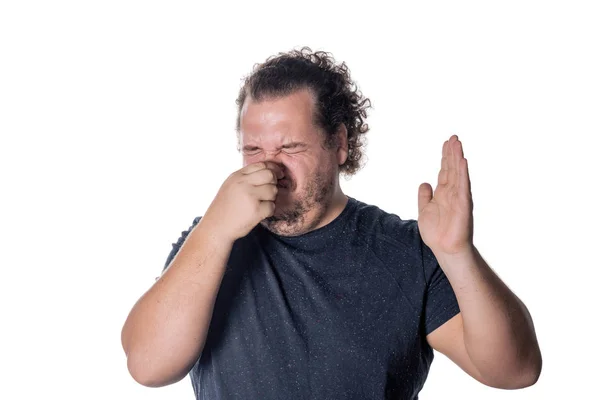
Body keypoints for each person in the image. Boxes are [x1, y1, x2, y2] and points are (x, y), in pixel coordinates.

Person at [121, 47, 542, 399]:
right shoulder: (209, 242)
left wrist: (458, 256)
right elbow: (147, 366)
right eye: (252, 149)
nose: (269, 167)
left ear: (339, 143)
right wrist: (213, 230)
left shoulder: (406, 251)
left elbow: (515, 370)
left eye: (290, 147)